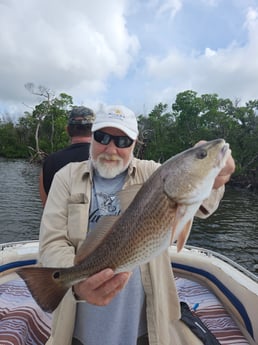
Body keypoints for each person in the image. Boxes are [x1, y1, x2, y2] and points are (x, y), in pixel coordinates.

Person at [39, 105, 235, 345]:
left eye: (123, 141)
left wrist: (217, 178)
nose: (111, 149)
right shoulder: (66, 177)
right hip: (79, 327)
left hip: (145, 327)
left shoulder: (156, 173)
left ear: (135, 144)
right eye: (102, 137)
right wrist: (77, 285)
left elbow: (204, 201)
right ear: (92, 137)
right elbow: (52, 242)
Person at [39, 106, 95, 206]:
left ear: (67, 130)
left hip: (57, 220)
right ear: (94, 130)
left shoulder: (50, 161)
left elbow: (46, 205)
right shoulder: (103, 160)